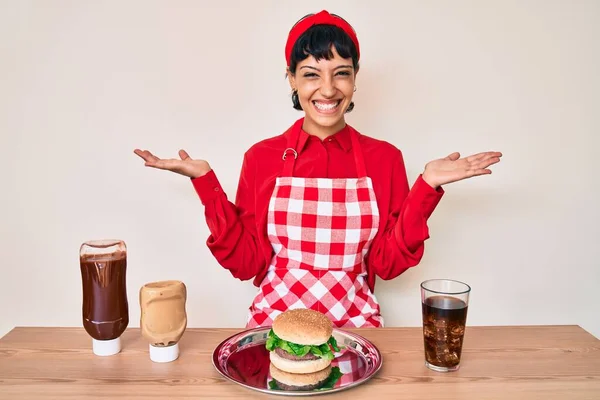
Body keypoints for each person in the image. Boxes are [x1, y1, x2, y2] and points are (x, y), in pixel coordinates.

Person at [134, 10, 502, 329]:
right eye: (311, 74)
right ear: (292, 79)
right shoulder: (262, 158)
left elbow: (386, 265)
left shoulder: (384, 158)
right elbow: (247, 263)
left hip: (358, 326)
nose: (327, 90)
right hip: (273, 325)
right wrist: (206, 185)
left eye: (340, 73)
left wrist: (427, 187)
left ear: (355, 79)